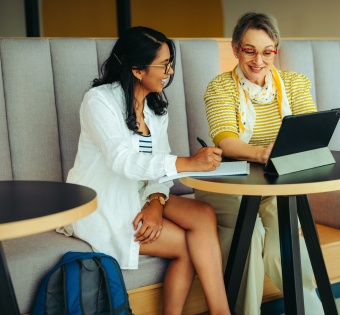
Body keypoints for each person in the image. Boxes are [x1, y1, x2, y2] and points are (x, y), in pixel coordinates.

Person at [57, 26, 230, 315]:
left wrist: (155, 202)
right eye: (164, 64)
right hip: (103, 203)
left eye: (170, 63)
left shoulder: (154, 109)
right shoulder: (98, 101)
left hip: (139, 196)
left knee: (204, 214)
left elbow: (157, 171)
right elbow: (120, 159)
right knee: (187, 247)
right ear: (138, 69)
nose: (170, 71)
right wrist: (186, 162)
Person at [195, 12, 324, 315]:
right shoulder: (220, 87)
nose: (258, 60)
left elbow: (310, 130)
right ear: (236, 48)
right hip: (228, 184)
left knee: (285, 245)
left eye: (268, 52)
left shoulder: (294, 83)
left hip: (274, 185)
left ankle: (311, 309)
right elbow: (226, 140)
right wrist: (262, 153)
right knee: (249, 239)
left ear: (276, 50)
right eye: (249, 50)